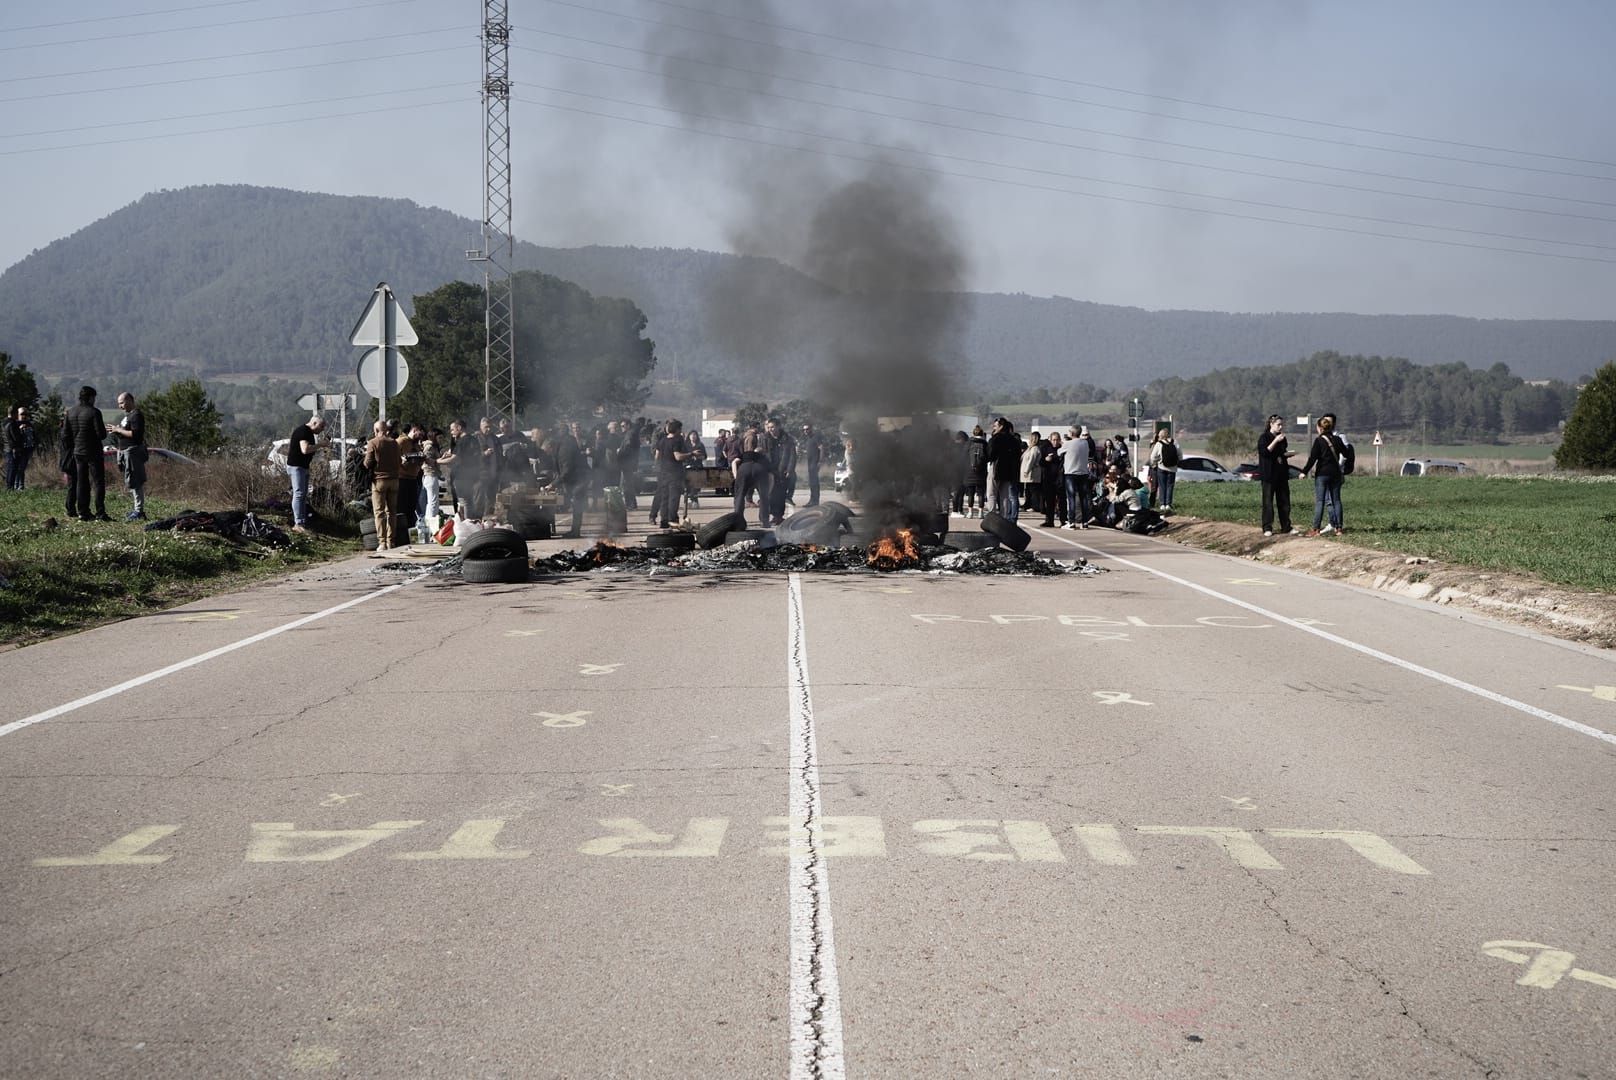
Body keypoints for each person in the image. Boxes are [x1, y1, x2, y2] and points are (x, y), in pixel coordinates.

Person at [65, 385, 110, 522]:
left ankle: (83, 512)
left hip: (78, 451)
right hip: (93, 451)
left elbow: (66, 434)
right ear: (91, 397)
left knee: (81, 482)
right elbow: (101, 434)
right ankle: (100, 512)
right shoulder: (94, 412)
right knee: (98, 482)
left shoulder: (70, 412)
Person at [1298, 414, 1346, 536]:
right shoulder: (1338, 440)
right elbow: (1346, 453)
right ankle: (1339, 528)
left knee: (1320, 501)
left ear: (1320, 428)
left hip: (1322, 474)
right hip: (1335, 473)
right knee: (1336, 500)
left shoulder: (1319, 441)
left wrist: (1304, 471)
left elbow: (1312, 458)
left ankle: (1316, 529)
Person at [363, 419, 402, 548]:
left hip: (379, 480)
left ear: (376, 430)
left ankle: (382, 542)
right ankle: (391, 541)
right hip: (394, 480)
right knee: (392, 512)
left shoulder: (373, 442)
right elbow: (399, 462)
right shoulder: (395, 443)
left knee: (379, 512)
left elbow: (368, 463)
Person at [283, 416, 325, 533]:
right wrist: (321, 445)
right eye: (321, 427)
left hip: (303, 467)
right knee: (299, 494)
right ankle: (298, 523)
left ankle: (302, 521)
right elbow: (305, 449)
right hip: (297, 467)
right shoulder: (303, 431)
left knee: (303, 494)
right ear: (314, 423)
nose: (322, 429)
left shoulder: (309, 433)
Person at [1257, 414, 1294, 537]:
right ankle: (1267, 527)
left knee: (1284, 501)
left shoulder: (1282, 438)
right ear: (1271, 424)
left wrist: (1288, 454)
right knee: (1268, 502)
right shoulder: (1264, 437)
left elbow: (1282, 452)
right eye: (1278, 424)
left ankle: (1286, 526)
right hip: (1269, 474)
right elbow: (1265, 452)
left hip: (1281, 474)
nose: (1281, 427)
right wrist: (1275, 441)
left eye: (1282, 424)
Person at [731, 420, 771, 527]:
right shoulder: (755, 438)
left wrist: (736, 476)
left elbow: (734, 462)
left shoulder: (742, 440)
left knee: (739, 496)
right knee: (763, 496)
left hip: (744, 467)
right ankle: (765, 521)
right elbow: (770, 472)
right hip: (759, 468)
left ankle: (738, 520)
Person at [654, 419, 691, 528]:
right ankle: (672, 519)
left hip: (663, 472)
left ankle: (664, 521)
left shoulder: (662, 441)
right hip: (674, 472)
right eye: (680, 429)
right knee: (674, 498)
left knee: (664, 497)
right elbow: (678, 456)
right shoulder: (677, 441)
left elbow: (657, 456)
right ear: (677, 429)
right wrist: (691, 454)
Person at [984, 417, 1020, 522]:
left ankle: (991, 517)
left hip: (996, 467)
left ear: (1001, 426)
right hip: (1009, 470)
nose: (993, 428)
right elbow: (1017, 455)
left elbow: (990, 454)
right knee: (1005, 496)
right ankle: (1004, 518)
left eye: (995, 426)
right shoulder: (1014, 440)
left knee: (991, 494)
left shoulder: (995, 438)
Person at [764, 416, 796, 525]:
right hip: (770, 471)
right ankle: (773, 515)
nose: (770, 429)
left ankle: (779, 516)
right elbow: (763, 453)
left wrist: (790, 469)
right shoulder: (765, 438)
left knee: (781, 494)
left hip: (782, 470)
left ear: (778, 427)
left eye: (772, 427)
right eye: (769, 427)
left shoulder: (787, 439)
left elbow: (792, 455)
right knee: (771, 494)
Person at [1059, 425, 1093, 529]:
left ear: (1072, 433)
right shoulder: (1085, 443)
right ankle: (1085, 522)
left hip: (1071, 472)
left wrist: (1062, 445)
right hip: (1083, 472)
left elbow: (1059, 452)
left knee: (1071, 497)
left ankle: (1071, 521)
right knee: (1083, 498)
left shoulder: (1068, 443)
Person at [3, 405, 36, 491]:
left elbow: (34, 437)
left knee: (20, 469)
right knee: (14, 469)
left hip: (25, 449)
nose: (24, 416)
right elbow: (14, 438)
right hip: (15, 449)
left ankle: (18, 486)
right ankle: (13, 487)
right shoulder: (12, 424)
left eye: (26, 414)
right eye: (21, 414)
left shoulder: (29, 424)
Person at [419, 426, 443, 538]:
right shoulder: (429, 446)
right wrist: (439, 460)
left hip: (432, 475)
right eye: (439, 437)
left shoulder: (434, 446)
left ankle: (429, 526)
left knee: (432, 503)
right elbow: (427, 460)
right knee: (433, 503)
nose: (441, 439)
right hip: (430, 475)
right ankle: (431, 527)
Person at [1150, 429, 1180, 512]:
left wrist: (1155, 463)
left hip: (1162, 467)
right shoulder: (1175, 442)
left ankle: (1162, 504)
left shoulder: (1159, 444)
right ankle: (1168, 504)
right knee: (1170, 486)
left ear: (1161, 436)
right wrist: (1177, 462)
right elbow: (1180, 454)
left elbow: (1152, 457)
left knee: (1162, 486)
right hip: (1173, 468)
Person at [800, 423, 822, 506]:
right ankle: (812, 500)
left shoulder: (816, 437)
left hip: (815, 462)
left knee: (814, 482)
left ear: (811, 429)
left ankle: (815, 501)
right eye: (804, 429)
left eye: (807, 429)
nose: (805, 431)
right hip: (810, 463)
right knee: (811, 482)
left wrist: (820, 461)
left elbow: (821, 448)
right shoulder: (809, 439)